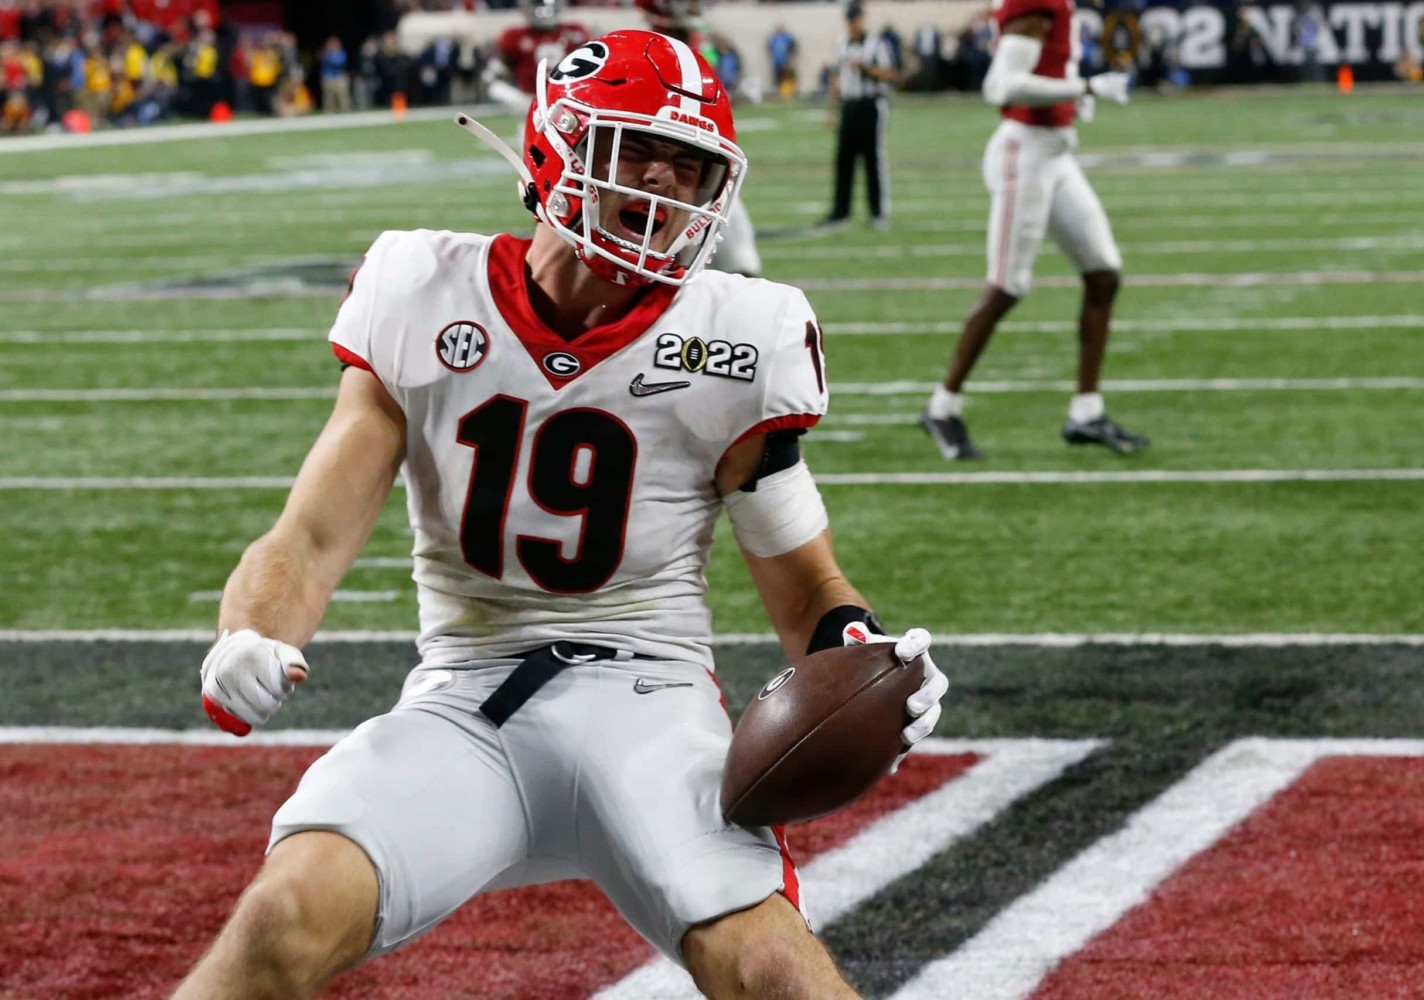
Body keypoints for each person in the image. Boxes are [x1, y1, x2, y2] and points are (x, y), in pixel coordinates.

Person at [173, 30, 947, 1000]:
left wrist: (864, 649)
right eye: (641, 152)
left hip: (650, 703)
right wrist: (249, 632)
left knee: (771, 969)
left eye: (692, 165)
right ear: (557, 148)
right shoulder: (422, 290)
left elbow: (808, 586)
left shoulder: (740, 337)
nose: (667, 186)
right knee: (281, 919)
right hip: (465, 699)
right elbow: (310, 536)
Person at [919, 0, 1147, 459]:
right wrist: (1083, 86)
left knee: (1104, 273)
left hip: (1054, 155)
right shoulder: (1035, 6)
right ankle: (942, 407)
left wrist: (1074, 92)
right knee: (1008, 285)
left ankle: (1086, 412)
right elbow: (1001, 86)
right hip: (1023, 156)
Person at [634, 0, 763, 277]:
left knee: (733, 252)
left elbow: (709, 95)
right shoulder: (647, 49)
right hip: (662, 162)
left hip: (697, 158)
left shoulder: (696, 43)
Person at [823, 1, 897, 230]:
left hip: (870, 104)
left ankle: (878, 212)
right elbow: (836, 78)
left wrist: (865, 68)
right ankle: (840, 212)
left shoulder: (877, 43)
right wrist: (832, 109)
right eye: (850, 19)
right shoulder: (842, 43)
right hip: (849, 105)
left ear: (862, 19)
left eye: (856, 19)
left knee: (872, 160)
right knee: (844, 159)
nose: (853, 24)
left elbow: (890, 73)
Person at [489, 0, 591, 114]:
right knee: (496, 88)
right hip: (529, 97)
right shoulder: (514, 35)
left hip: (567, 95)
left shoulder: (574, 31)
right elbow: (504, 65)